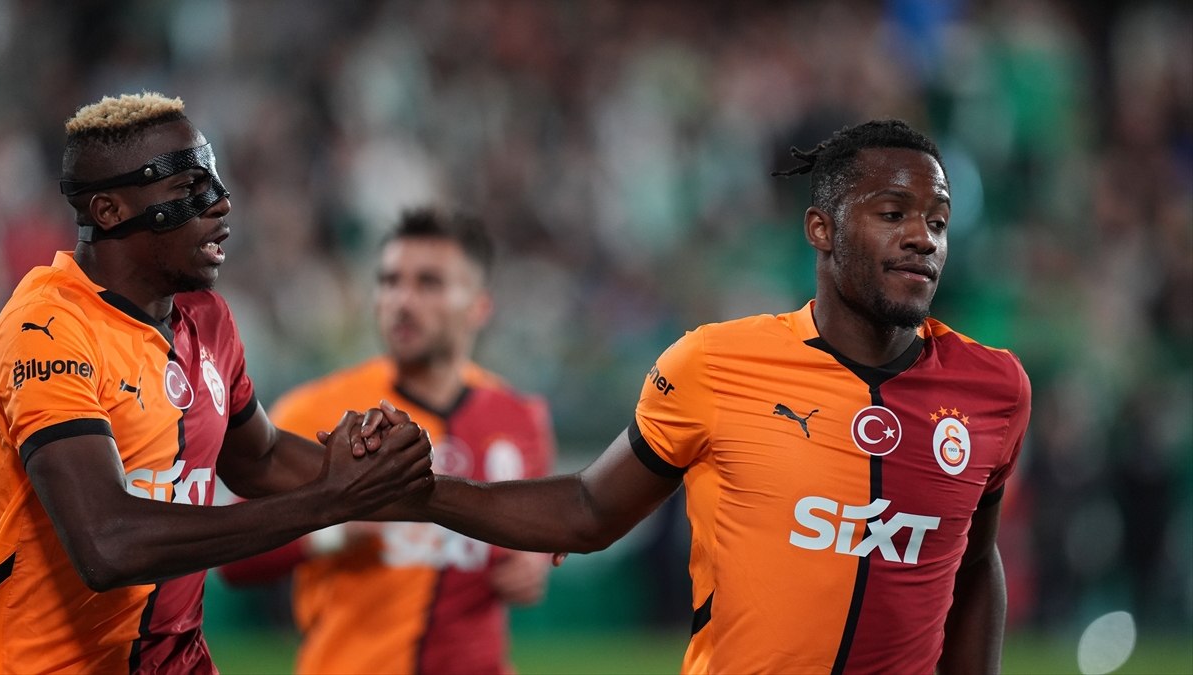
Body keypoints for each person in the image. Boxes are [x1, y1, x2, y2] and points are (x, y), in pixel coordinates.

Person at [391, 119, 1033, 674]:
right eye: (893, 215)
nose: (923, 237)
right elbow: (589, 509)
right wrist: (419, 491)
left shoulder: (993, 389)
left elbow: (974, 563)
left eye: (938, 221)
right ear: (821, 229)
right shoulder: (715, 363)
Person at [0, 92, 434, 674]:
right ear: (109, 210)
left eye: (214, 180)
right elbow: (107, 546)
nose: (222, 202)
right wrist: (329, 501)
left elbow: (261, 459)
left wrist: (413, 486)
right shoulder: (45, 328)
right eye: (187, 188)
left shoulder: (207, 317)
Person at [218, 208, 556, 674]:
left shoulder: (520, 418)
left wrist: (533, 563)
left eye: (429, 283)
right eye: (390, 281)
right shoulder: (316, 411)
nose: (403, 300)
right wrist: (333, 530)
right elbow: (233, 560)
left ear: (480, 305)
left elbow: (533, 538)